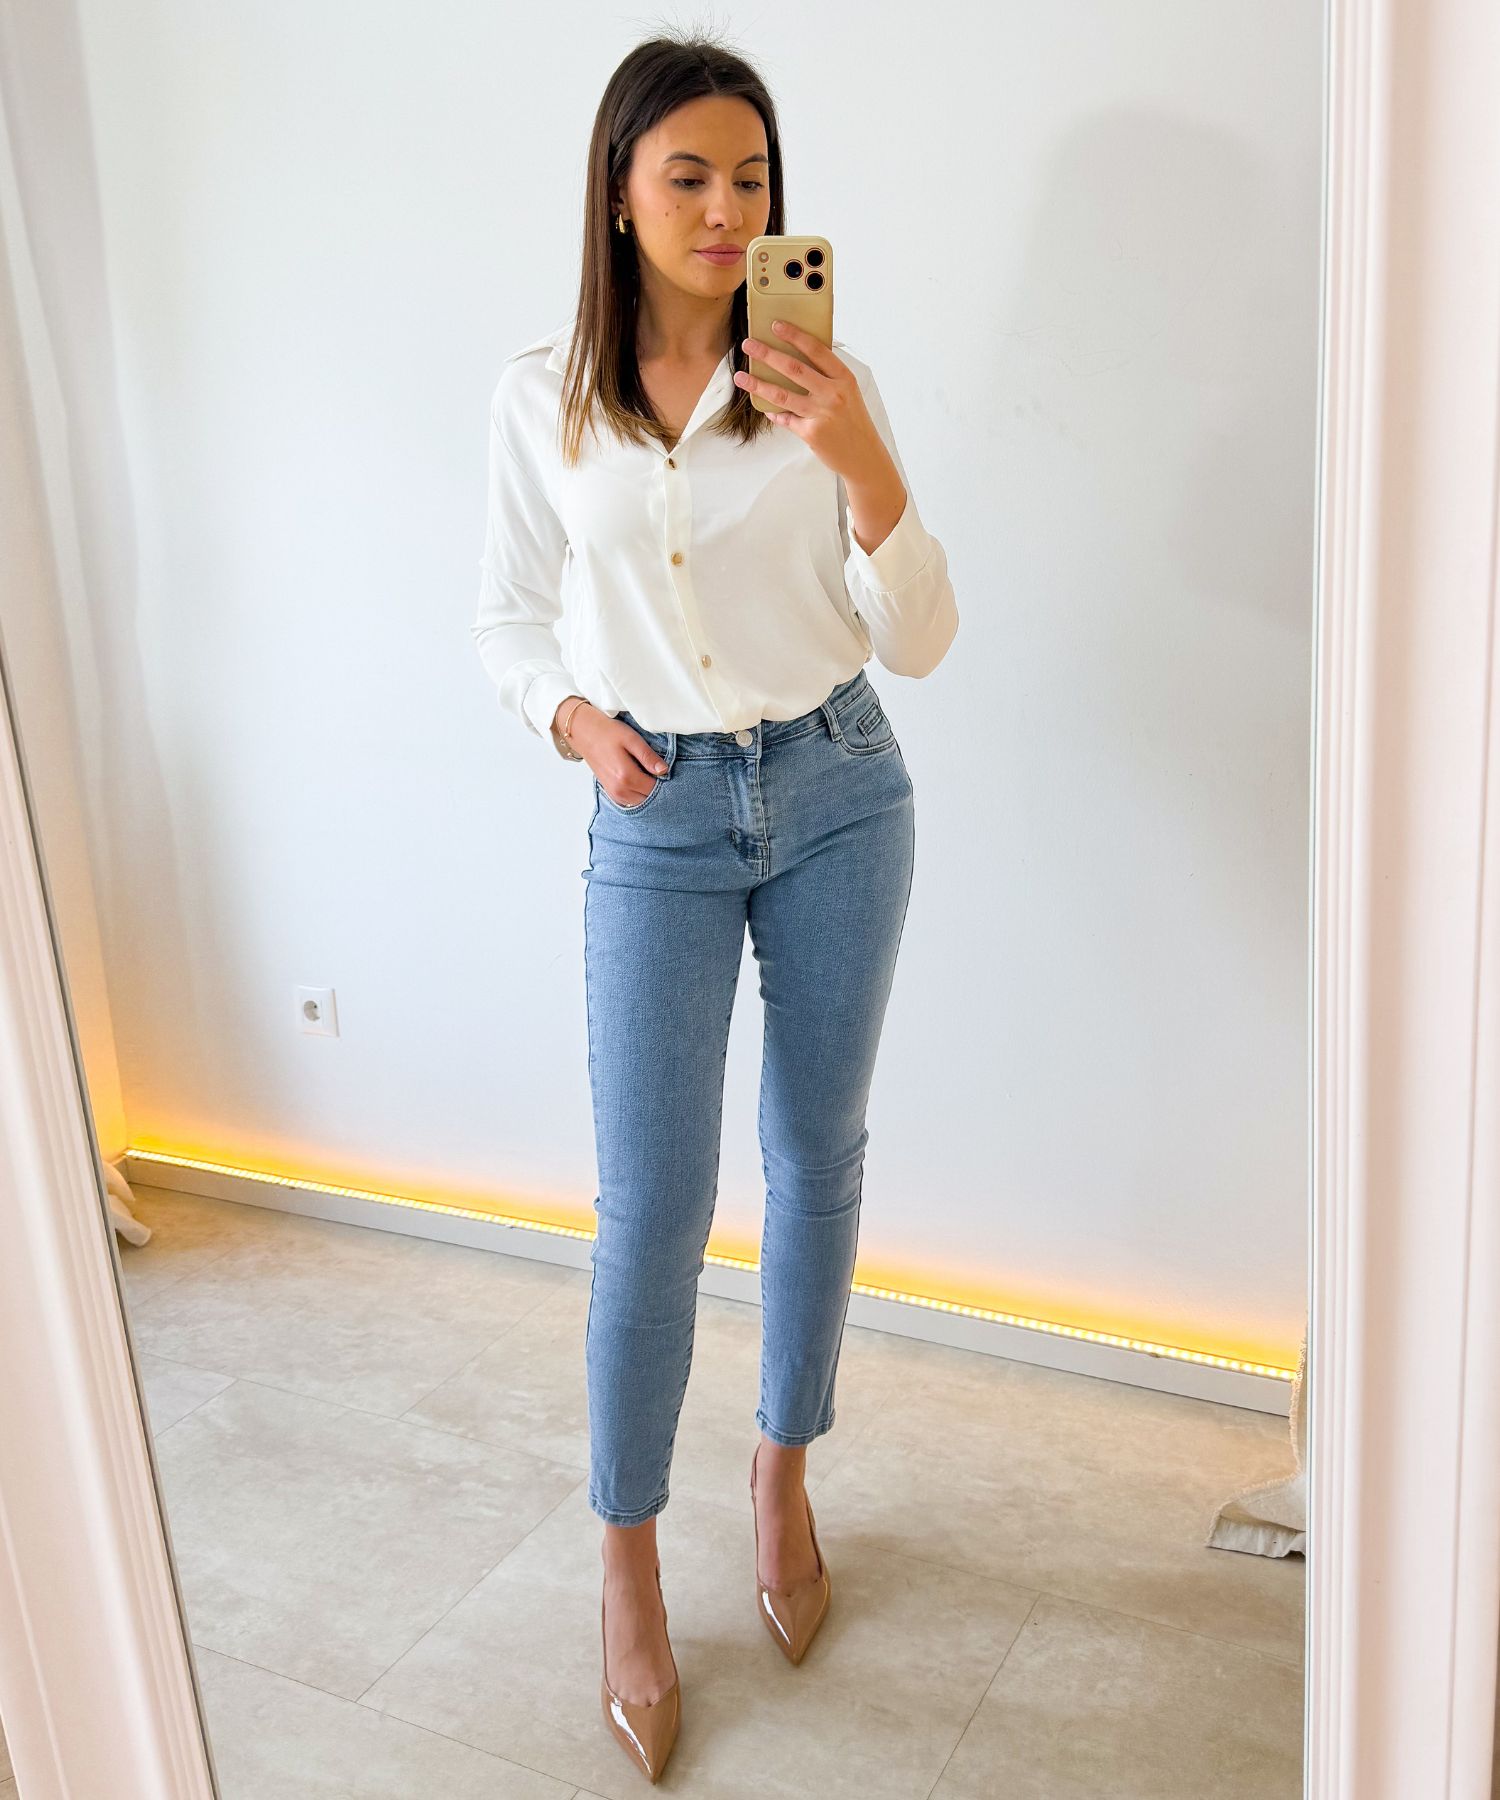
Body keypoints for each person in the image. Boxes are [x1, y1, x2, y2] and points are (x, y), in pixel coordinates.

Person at [472, 30, 958, 1783]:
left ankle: (781, 1473)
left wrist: (867, 460)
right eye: (687, 175)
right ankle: (627, 1562)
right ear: (619, 193)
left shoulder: (825, 383)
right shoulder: (544, 396)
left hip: (838, 788)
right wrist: (570, 717)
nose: (724, 208)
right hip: (654, 812)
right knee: (650, 1213)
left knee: (816, 1160)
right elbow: (505, 617)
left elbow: (921, 639)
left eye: (751, 179)